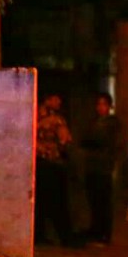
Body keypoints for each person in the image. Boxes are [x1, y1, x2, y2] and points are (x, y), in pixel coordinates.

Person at [34, 93, 79, 247]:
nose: (59, 101)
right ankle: (66, 236)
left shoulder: (32, 115)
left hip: (37, 163)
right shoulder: (56, 119)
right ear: (48, 100)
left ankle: (39, 235)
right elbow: (66, 140)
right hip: (53, 163)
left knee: (39, 202)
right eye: (55, 98)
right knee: (59, 202)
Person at [79, 93, 121, 245]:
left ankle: (104, 233)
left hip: (104, 167)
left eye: (104, 104)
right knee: (93, 200)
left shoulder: (112, 123)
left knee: (104, 201)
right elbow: (84, 139)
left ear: (109, 106)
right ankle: (95, 229)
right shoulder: (94, 122)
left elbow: (100, 140)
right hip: (92, 166)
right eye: (99, 104)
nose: (100, 107)